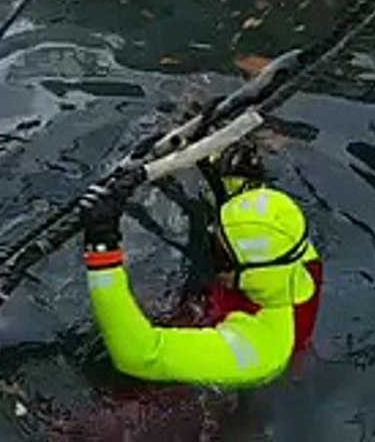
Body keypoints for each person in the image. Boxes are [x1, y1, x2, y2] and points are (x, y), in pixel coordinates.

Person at [79, 164, 322, 388]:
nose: (211, 254)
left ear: (251, 273)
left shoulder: (262, 349)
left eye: (219, 253)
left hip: (196, 391)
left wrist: (102, 249)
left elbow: (139, 355)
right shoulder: (292, 250)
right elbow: (254, 222)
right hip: (216, 309)